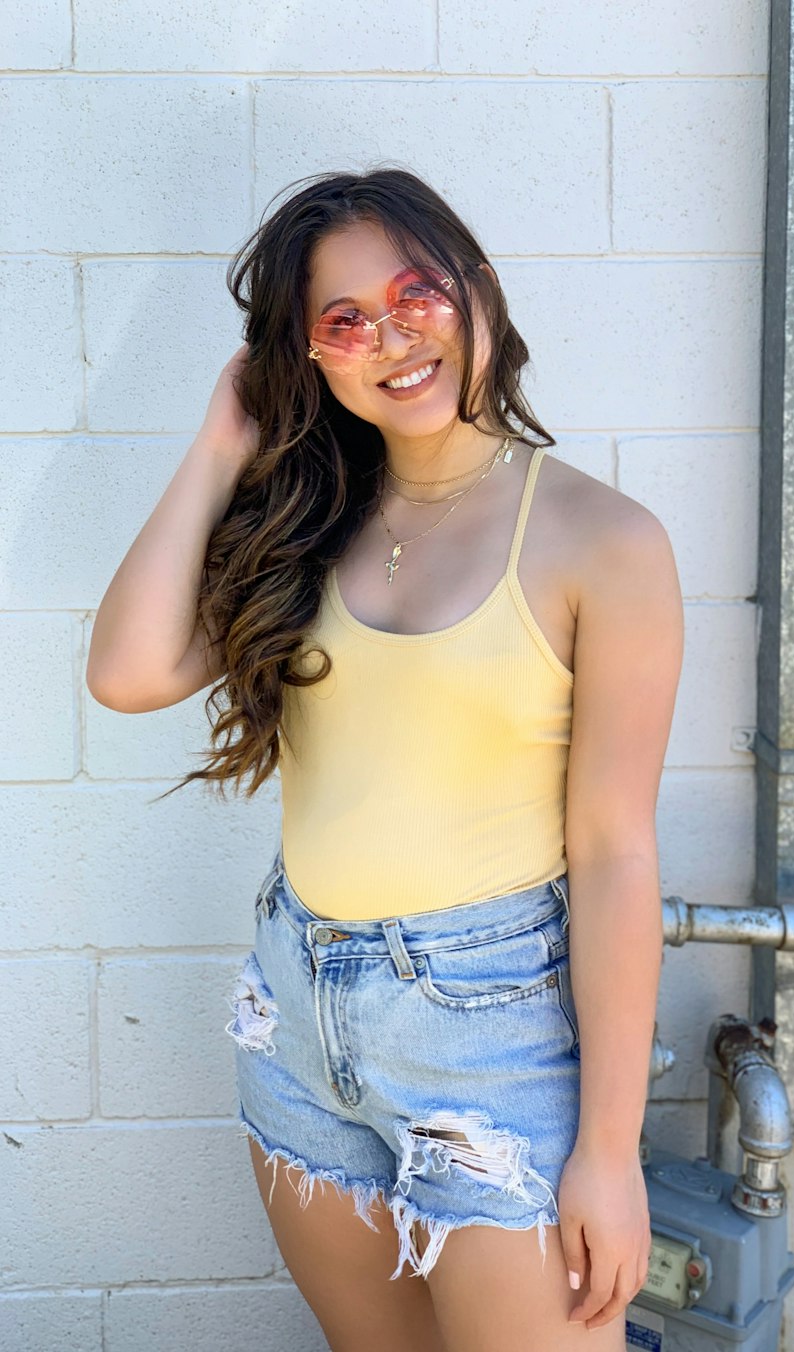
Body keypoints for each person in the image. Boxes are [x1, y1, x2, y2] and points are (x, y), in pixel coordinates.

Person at [86, 167, 684, 1352]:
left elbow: (614, 850)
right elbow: (128, 669)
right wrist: (220, 443)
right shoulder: (308, 524)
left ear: (478, 290)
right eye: (341, 321)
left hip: (492, 1042)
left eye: (416, 293)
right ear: (305, 358)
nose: (390, 338)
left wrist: (608, 1151)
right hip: (299, 1013)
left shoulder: (603, 540)